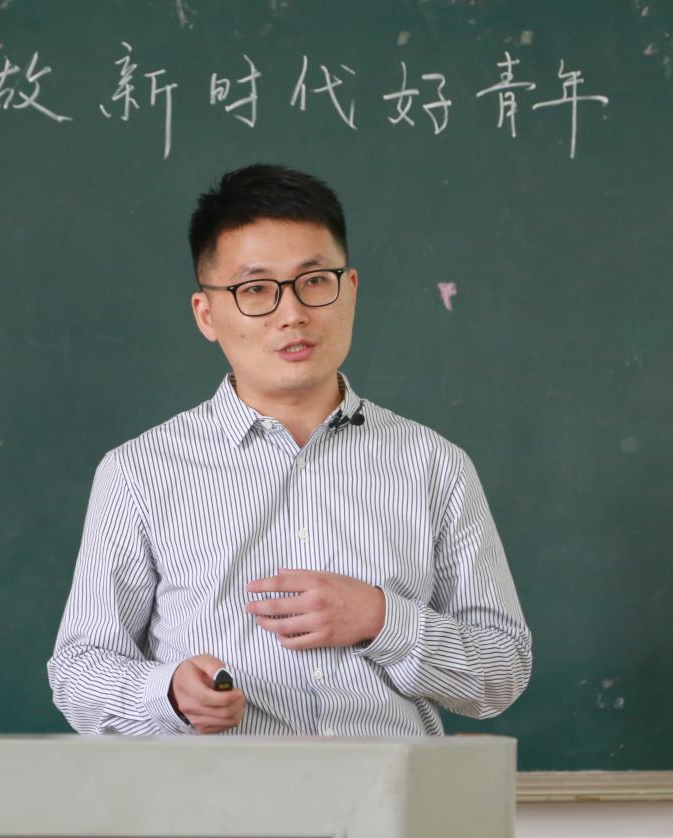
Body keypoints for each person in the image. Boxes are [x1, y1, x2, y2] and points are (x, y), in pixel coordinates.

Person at [47, 164, 531, 735]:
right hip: (218, 788)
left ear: (350, 289)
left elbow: (502, 670)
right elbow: (78, 671)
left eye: (315, 281)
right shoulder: (139, 472)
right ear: (206, 314)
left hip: (387, 789)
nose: (293, 313)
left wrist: (383, 619)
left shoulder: (433, 465)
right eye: (255, 289)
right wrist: (168, 695)